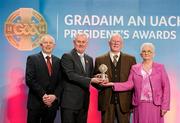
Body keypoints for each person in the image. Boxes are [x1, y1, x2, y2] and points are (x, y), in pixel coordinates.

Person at [102, 43, 170, 123]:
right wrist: (113, 84)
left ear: (153, 54)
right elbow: (129, 84)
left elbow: (166, 87)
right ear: (141, 54)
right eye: (144, 51)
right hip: (140, 105)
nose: (146, 53)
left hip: (156, 106)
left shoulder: (160, 67)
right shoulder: (135, 68)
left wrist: (165, 106)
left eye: (149, 51)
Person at [60, 33, 104, 123]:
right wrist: (91, 79)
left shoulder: (89, 59)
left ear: (86, 44)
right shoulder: (67, 56)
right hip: (70, 103)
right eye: (78, 41)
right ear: (74, 42)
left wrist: (99, 79)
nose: (81, 44)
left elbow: (90, 77)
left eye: (83, 42)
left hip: (84, 103)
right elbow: (70, 75)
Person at [94, 33, 136, 123]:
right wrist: (99, 81)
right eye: (113, 41)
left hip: (125, 102)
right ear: (109, 43)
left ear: (122, 44)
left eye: (118, 42)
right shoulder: (99, 59)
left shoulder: (131, 59)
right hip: (106, 101)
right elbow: (94, 81)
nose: (116, 43)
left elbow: (133, 82)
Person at [25, 34, 61, 123]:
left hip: (51, 105)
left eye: (50, 43)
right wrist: (44, 95)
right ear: (41, 45)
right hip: (36, 103)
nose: (48, 45)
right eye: (45, 42)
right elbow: (30, 80)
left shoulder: (58, 61)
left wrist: (55, 96)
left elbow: (61, 82)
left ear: (54, 46)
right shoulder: (32, 59)